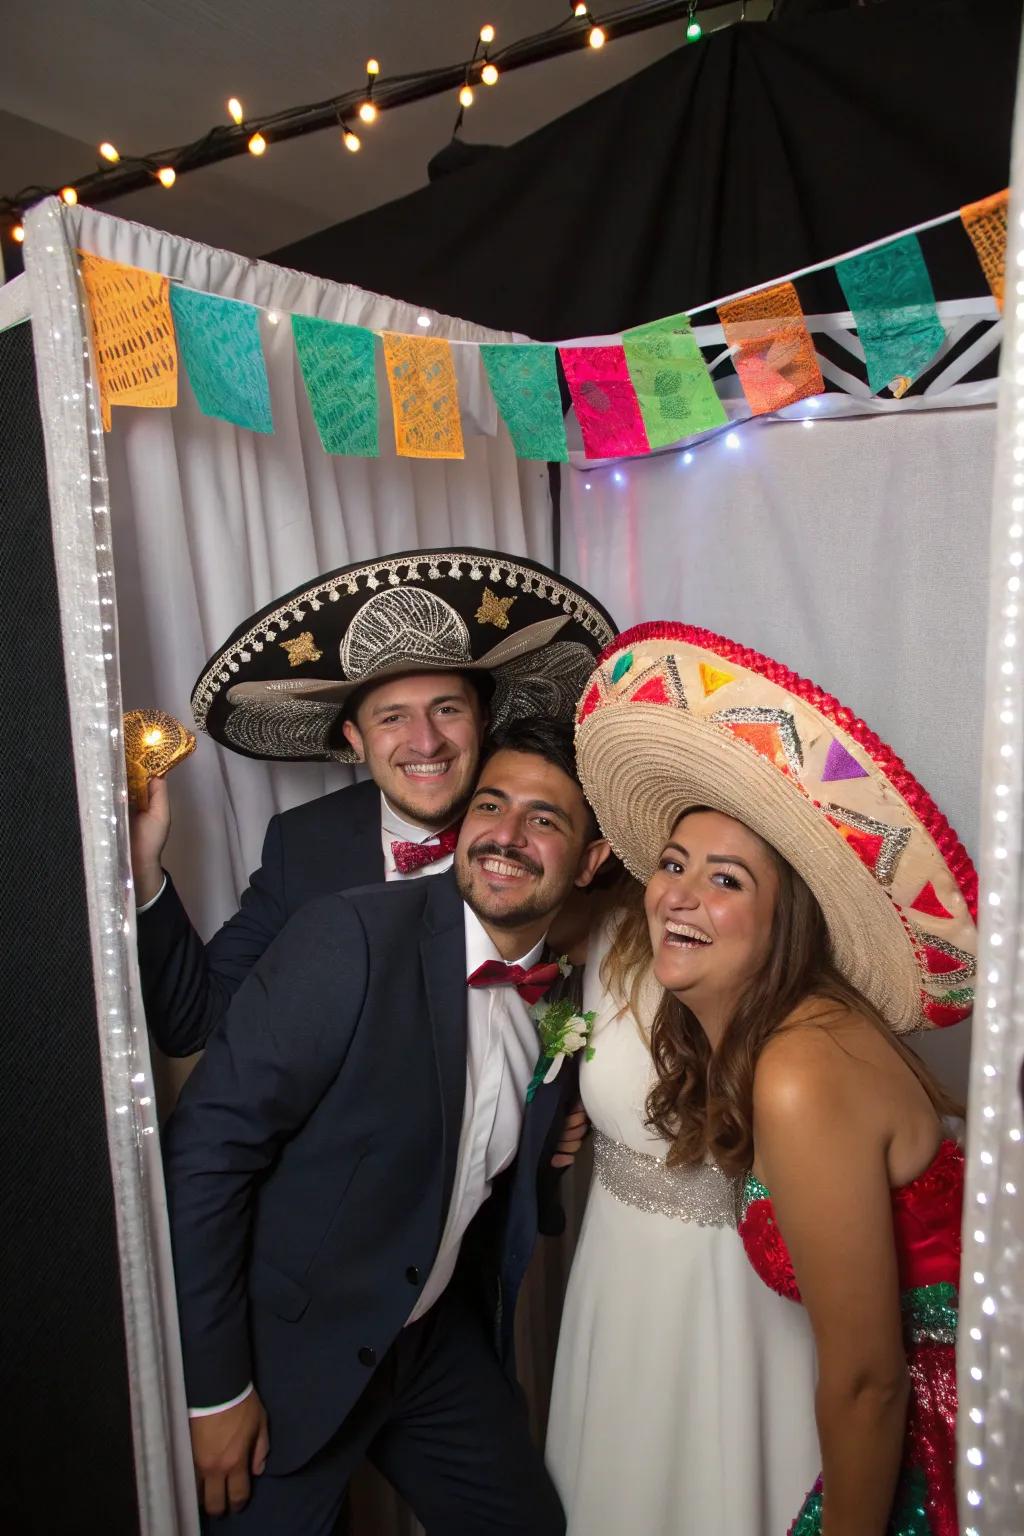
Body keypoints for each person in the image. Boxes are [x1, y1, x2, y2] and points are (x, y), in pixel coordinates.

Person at [568, 621, 975, 1536]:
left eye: (726, 881)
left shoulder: (797, 1068)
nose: (678, 893)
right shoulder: (767, 1038)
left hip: (934, 1437)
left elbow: (871, 1383)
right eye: (673, 865)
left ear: (782, 919)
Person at [163, 717, 611, 1535]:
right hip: (283, 1358)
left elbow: (462, 1142)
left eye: (544, 820)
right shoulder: (352, 938)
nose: (505, 837)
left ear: (589, 860)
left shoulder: (564, 991)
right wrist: (213, 1392)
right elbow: (204, 1154)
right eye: (490, 806)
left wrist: (548, 1145)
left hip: (429, 1340)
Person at [131, 546, 615, 1058]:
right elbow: (194, 1024)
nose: (426, 743)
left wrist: (560, 1109)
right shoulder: (304, 846)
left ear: (483, 721)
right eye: (392, 718)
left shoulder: (541, 838)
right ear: (355, 740)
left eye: (446, 710)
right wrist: (144, 867)